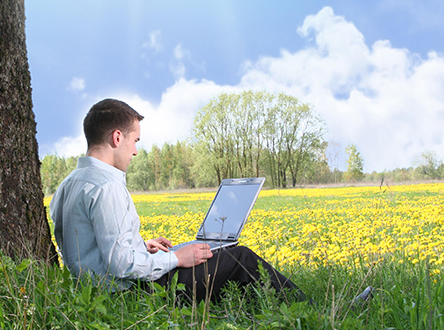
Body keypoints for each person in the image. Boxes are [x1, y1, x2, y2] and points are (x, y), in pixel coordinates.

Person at [50, 98, 306, 303]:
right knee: (240, 257)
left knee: (218, 252)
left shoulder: (69, 183)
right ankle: (304, 309)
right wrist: (176, 259)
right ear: (117, 138)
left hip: (94, 291)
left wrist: (140, 245)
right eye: (135, 141)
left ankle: (255, 305)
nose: (136, 151)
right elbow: (122, 265)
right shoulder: (107, 186)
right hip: (130, 294)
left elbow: (89, 246)